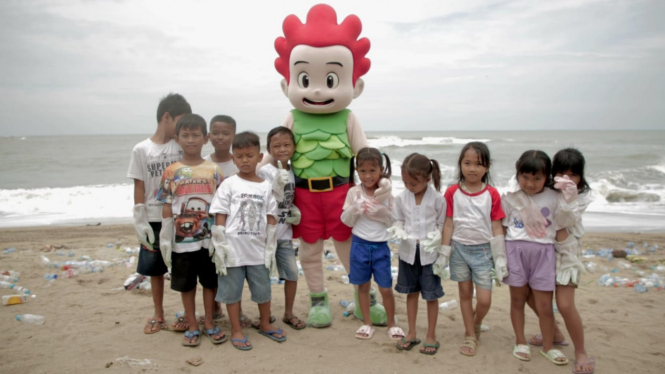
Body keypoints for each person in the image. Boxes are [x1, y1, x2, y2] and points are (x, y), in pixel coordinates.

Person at [266, 4, 391, 328]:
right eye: (305, 78)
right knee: (309, 252)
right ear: (288, 84)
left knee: (350, 250)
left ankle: (366, 300)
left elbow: (365, 156)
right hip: (304, 197)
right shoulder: (293, 117)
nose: (318, 89)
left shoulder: (348, 117)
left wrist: (383, 181)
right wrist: (247, 177)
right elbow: (272, 152)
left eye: (331, 78)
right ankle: (318, 300)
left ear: (355, 85)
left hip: (342, 195)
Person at [209, 131, 285, 351]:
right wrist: (220, 241)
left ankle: (264, 323)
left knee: (263, 290)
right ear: (233, 158)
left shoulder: (265, 186)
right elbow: (220, 212)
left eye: (249, 156)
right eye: (240, 156)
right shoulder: (229, 184)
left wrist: (271, 244)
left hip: (258, 251)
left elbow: (271, 215)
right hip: (232, 252)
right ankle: (236, 330)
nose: (244, 160)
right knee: (231, 293)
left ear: (259, 157)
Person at [502, 150, 575, 366]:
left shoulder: (554, 197)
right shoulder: (511, 197)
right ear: (518, 175)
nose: (530, 183)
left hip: (544, 253)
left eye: (537, 178)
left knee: (544, 306)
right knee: (517, 300)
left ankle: (548, 347)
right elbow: (502, 227)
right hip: (515, 250)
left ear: (547, 177)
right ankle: (520, 341)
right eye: (525, 177)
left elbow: (564, 221)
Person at [158, 114, 226, 347]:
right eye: (185, 135)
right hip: (181, 241)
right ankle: (192, 323)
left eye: (195, 135)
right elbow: (167, 205)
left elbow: (222, 205)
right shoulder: (171, 171)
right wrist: (165, 236)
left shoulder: (214, 170)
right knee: (186, 284)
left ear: (205, 138)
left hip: (209, 240)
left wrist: (220, 233)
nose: (190, 140)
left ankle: (208, 321)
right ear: (177, 138)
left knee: (210, 282)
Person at [126, 93, 191, 334]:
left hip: (182, 216)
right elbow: (139, 186)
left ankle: (187, 312)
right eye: (181, 121)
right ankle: (158, 313)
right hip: (153, 217)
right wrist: (139, 219)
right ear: (167, 117)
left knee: (185, 264)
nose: (184, 128)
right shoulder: (141, 149)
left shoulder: (181, 144)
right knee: (155, 269)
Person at [526, 148, 595, 374]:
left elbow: (564, 221)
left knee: (565, 304)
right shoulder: (546, 190)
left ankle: (581, 352)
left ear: (580, 177)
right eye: (562, 174)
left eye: (573, 175)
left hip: (567, 255)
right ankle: (555, 333)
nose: (567, 179)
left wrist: (568, 197)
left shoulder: (582, 196)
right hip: (543, 250)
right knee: (527, 294)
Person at [441, 142, 506, 356]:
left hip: (483, 252)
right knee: (465, 294)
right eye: (467, 163)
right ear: (460, 165)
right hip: (459, 250)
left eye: (478, 164)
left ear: (487, 167)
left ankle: (476, 322)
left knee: (485, 300)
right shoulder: (452, 192)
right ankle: (470, 335)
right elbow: (448, 223)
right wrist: (444, 252)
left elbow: (497, 226)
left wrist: (500, 257)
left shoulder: (492, 194)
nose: (472, 168)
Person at [340, 148, 403, 340]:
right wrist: (354, 210)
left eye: (372, 171)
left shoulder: (387, 194)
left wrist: (384, 214)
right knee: (363, 287)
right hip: (359, 245)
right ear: (357, 171)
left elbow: (394, 223)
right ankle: (367, 323)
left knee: (385, 288)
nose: (368, 176)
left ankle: (392, 324)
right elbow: (345, 220)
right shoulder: (353, 192)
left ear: (381, 170)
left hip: (381, 246)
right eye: (363, 171)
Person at [390, 153, 446, 355]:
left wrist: (437, 237)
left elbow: (442, 223)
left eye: (413, 183)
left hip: (429, 254)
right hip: (408, 252)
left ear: (427, 179)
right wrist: (398, 229)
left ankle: (431, 335)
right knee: (410, 293)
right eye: (405, 182)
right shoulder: (401, 198)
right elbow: (398, 220)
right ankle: (412, 332)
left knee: (431, 295)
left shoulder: (438, 199)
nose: (409, 186)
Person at [257, 127, 306, 330]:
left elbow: (289, 198)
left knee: (292, 273)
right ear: (269, 148)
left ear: (294, 147)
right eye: (276, 146)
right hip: (264, 236)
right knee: (263, 276)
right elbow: (263, 199)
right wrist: (276, 187)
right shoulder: (264, 171)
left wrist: (293, 209)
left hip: (284, 234)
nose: (282, 149)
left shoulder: (294, 171)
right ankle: (265, 315)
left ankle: (288, 313)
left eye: (287, 145)